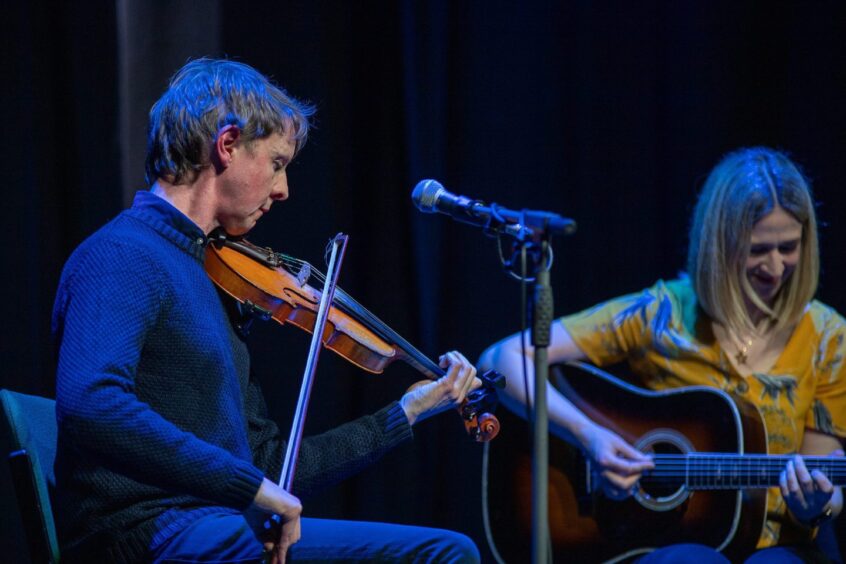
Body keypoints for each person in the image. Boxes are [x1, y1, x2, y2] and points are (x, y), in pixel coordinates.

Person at [52, 58, 482, 564]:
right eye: (277, 163)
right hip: (147, 535)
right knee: (443, 554)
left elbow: (268, 465)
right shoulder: (124, 254)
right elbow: (92, 403)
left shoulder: (210, 279)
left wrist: (403, 415)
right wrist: (246, 488)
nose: (283, 189)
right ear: (228, 145)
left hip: (215, 525)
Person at [479, 147, 845, 562]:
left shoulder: (828, 337)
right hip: (670, 539)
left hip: (781, 543)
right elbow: (502, 359)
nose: (776, 267)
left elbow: (823, 479)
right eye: (758, 249)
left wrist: (820, 503)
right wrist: (590, 436)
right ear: (718, 244)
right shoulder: (660, 314)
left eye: (788, 248)